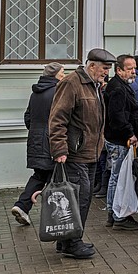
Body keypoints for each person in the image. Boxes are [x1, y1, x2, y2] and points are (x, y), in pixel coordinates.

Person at [48, 48, 116, 259]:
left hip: (91, 152)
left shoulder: (95, 85)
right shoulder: (72, 83)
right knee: (80, 198)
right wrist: (59, 149)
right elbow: (57, 118)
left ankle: (66, 241)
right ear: (92, 65)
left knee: (79, 198)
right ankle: (73, 242)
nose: (107, 72)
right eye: (105, 68)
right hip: (74, 153)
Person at [11, 63, 65, 227]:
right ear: (55, 75)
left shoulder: (36, 93)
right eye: (62, 72)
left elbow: (28, 117)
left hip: (35, 139)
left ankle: (22, 206)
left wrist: (36, 132)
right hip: (51, 141)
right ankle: (54, 218)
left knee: (40, 175)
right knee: (54, 178)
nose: (64, 75)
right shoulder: (58, 92)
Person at [103, 54, 138, 230]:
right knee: (118, 178)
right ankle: (117, 215)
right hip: (120, 140)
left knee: (117, 177)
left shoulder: (120, 86)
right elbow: (117, 116)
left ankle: (114, 214)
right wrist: (130, 133)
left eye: (134, 68)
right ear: (119, 70)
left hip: (118, 138)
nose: (133, 72)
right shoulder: (118, 89)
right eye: (129, 69)